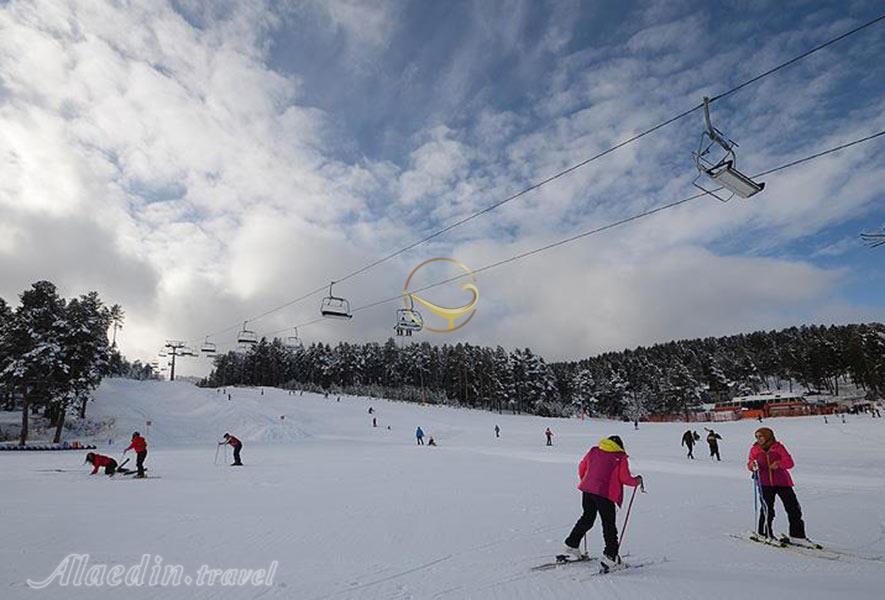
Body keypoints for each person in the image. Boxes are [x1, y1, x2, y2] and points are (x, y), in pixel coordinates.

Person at [563, 436, 643, 571]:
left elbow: (582, 468)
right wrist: (637, 481)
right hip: (604, 494)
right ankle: (611, 557)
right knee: (608, 524)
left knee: (587, 518)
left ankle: (571, 545)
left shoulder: (594, 451)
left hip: (587, 490)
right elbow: (624, 478)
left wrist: (588, 481)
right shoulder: (620, 456)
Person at [748, 427, 808, 543]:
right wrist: (752, 465)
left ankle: (797, 536)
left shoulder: (778, 447)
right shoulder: (754, 449)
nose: (759, 439)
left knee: (793, 508)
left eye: (761, 436)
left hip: (783, 482)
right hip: (764, 483)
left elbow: (790, 463)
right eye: (757, 437)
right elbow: (750, 462)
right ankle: (764, 533)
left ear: (768, 436)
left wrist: (779, 464)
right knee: (767, 510)